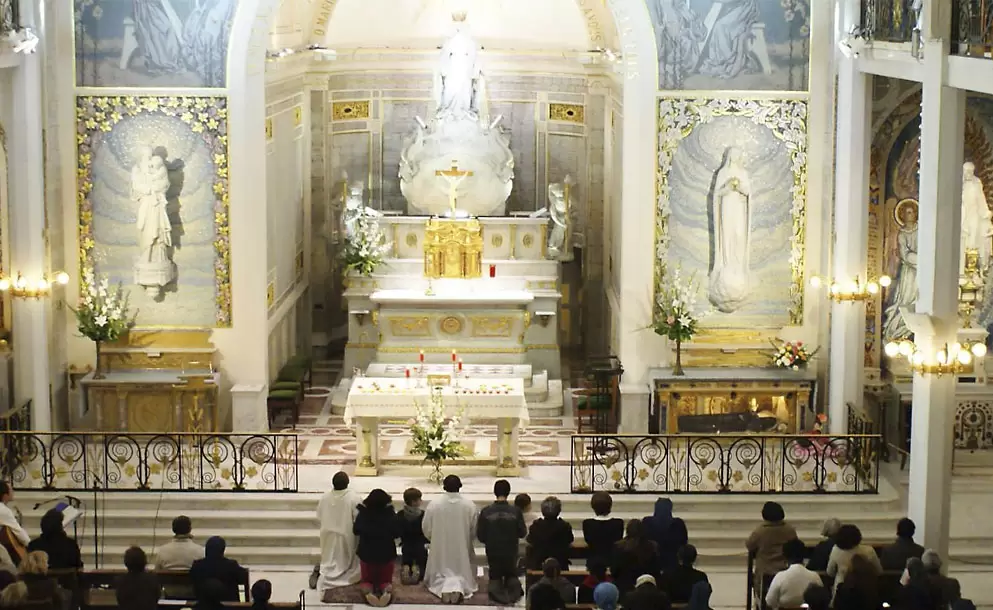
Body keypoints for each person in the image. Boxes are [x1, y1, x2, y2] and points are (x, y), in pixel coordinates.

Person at [423, 475, 478, 604]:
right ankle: (458, 586)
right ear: (460, 486)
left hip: (440, 547)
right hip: (461, 546)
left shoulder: (434, 504)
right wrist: (466, 538)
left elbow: (426, 527)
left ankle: (444, 587)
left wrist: (435, 539)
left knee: (440, 572)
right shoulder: (469, 505)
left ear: (444, 487)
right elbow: (474, 529)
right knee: (461, 571)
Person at [478, 479, 527, 605]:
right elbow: (522, 533)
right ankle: (512, 590)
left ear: (494, 492)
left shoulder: (486, 511)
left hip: (493, 551)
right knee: (511, 574)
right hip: (510, 551)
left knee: (495, 576)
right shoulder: (516, 511)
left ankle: (497, 588)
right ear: (508, 492)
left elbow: (481, 536)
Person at [317, 471, 362, 602]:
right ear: (347, 483)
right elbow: (358, 518)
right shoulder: (354, 498)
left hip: (328, 535)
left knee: (329, 559)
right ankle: (343, 571)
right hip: (346, 535)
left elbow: (319, 515)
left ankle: (328, 572)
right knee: (346, 558)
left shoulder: (325, 497)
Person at [353, 489, 400, 606]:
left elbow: (356, 530)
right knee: (385, 579)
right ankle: (386, 590)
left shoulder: (363, 513)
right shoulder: (390, 514)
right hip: (386, 553)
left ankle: (368, 591)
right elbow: (397, 532)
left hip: (366, 553)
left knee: (367, 579)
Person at [745, 502, 798, 590]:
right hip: (785, 571)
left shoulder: (760, 532)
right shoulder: (789, 530)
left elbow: (749, 545)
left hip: (765, 572)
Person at [764, 539, 822, 610]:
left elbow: (770, 601)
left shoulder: (780, 577)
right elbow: (821, 600)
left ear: (785, 557)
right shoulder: (814, 576)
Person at [189, 536, 248, 602]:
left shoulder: (197, 565)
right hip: (228, 604)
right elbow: (242, 579)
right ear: (223, 550)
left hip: (202, 603)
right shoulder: (231, 565)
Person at [610, 519, 660, 596]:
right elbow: (656, 570)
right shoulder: (652, 546)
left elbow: (614, 571)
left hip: (624, 589)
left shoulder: (618, 546)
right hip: (648, 589)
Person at [826, 524, 881, 590]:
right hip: (866, 589)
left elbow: (830, 572)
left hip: (842, 589)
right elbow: (879, 571)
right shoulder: (868, 551)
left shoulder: (836, 550)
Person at [526, 496, 574, 570]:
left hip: (539, 565)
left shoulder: (536, 526)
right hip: (560, 565)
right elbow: (569, 541)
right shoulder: (564, 526)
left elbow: (530, 541)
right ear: (559, 510)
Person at [641, 498, 687, 573]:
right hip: (672, 562)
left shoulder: (647, 522)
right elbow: (684, 542)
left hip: (651, 562)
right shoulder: (678, 524)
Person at [583, 492, 624, 565]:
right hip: (612, 562)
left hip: (594, 563)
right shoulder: (618, 523)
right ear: (610, 506)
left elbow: (588, 540)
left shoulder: (587, 524)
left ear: (593, 506)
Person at [397, 487, 428, 585]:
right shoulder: (422, 514)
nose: (421, 501)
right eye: (419, 499)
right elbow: (425, 529)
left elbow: (398, 528)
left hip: (406, 543)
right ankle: (419, 573)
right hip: (419, 543)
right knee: (422, 560)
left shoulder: (401, 514)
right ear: (414, 502)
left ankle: (407, 567)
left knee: (407, 558)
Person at [0, 483, 28, 548]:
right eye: (11, 490)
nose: (13, 492)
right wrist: (30, 545)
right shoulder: (4, 510)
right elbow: (19, 533)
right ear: (5, 495)